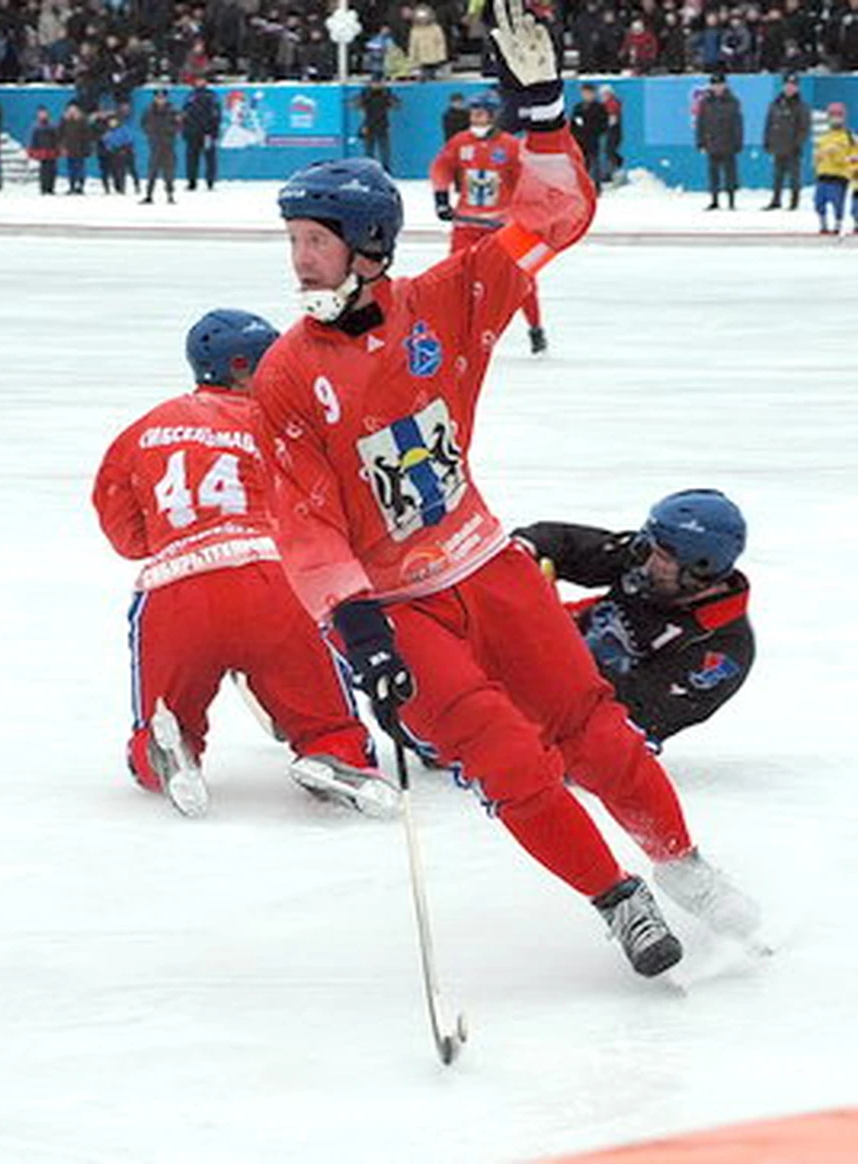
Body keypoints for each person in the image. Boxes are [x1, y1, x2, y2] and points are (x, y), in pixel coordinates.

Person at [254, 2, 760, 981]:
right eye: (293, 241)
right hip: (400, 607)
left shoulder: (451, 298)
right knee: (510, 762)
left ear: (366, 248)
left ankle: (684, 866)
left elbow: (553, 218)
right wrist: (357, 628)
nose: (297, 259)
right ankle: (618, 902)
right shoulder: (284, 375)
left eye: (312, 241)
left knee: (594, 731)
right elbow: (303, 520)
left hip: (489, 565)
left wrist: (542, 115)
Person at [92, 309, 398, 820]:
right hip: (273, 580)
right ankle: (334, 755)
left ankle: (165, 748)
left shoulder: (139, 431)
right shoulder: (282, 422)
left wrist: (180, 536)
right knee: (327, 721)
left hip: (173, 590)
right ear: (241, 367)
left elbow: (125, 534)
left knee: (162, 721)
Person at [513, 490, 754, 750]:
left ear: (700, 570)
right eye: (649, 548)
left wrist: (548, 642)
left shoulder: (722, 653)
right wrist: (521, 554)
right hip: (544, 652)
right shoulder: (652, 559)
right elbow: (562, 544)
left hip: (577, 733)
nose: (646, 561)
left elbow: (633, 709)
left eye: (661, 557)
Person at [430, 91, 547, 354]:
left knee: (521, 278)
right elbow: (441, 167)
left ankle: (535, 328)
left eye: (481, 114)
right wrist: (440, 197)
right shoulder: (460, 142)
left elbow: (526, 182)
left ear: (494, 117)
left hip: (502, 227)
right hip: (466, 224)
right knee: (456, 278)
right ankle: (456, 331)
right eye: (473, 114)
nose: (475, 119)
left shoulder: (510, 146)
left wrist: (525, 215)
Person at [696, 72, 743, 210]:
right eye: (714, 85)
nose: (717, 87)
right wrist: (700, 141)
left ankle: (731, 200)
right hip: (712, 142)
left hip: (728, 142)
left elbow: (738, 123)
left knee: (730, 173)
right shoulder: (705, 103)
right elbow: (701, 123)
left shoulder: (733, 101)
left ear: (725, 85)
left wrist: (738, 141)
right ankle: (714, 199)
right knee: (713, 173)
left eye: (719, 84)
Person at [763, 73, 811, 210]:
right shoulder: (775, 104)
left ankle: (794, 202)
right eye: (788, 85)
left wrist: (798, 143)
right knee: (777, 175)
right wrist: (767, 141)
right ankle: (776, 200)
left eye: (793, 85)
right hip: (778, 145)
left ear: (797, 88)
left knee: (794, 177)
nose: (790, 88)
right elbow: (769, 124)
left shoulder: (801, 106)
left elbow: (804, 128)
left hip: (793, 147)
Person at [813, 102, 857, 235]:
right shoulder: (824, 137)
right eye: (832, 116)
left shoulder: (848, 137)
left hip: (839, 176)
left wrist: (839, 157)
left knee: (837, 202)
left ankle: (838, 224)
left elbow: (853, 157)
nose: (835, 119)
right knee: (819, 202)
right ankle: (823, 224)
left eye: (839, 116)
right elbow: (818, 155)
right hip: (823, 175)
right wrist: (818, 160)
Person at [140, 87, 180, 205]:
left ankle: (170, 195)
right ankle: (149, 195)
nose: (160, 100)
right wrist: (151, 132)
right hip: (155, 143)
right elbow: (144, 123)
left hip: (168, 144)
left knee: (169, 171)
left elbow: (179, 125)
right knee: (152, 170)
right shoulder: (149, 110)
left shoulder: (173, 110)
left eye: (162, 98)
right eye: (158, 98)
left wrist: (169, 132)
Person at [182, 75, 220, 192]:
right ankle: (191, 181)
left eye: (202, 80)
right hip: (193, 133)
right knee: (192, 158)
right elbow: (185, 114)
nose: (199, 82)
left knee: (210, 158)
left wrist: (213, 131)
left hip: (207, 132)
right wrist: (185, 130)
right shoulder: (190, 96)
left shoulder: (212, 95)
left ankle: (210, 182)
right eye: (197, 80)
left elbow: (217, 114)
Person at [354, 77, 399, 173]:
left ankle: (386, 170)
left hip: (382, 125)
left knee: (385, 151)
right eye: (375, 83)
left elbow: (396, 105)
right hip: (369, 125)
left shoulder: (386, 93)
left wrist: (388, 96)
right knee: (369, 151)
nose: (377, 85)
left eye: (380, 83)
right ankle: (369, 171)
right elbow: (356, 105)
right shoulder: (365, 93)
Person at [570, 81, 608, 193]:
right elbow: (572, 124)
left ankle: (596, 187)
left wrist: (589, 127)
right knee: (581, 165)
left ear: (594, 94)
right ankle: (581, 187)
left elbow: (603, 125)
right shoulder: (578, 107)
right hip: (580, 141)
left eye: (589, 93)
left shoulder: (599, 108)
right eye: (584, 92)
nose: (586, 95)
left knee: (594, 163)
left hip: (592, 140)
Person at [58, 99, 90, 194]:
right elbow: (60, 133)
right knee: (71, 168)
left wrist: (86, 148)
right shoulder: (64, 120)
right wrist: (62, 146)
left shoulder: (82, 120)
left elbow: (87, 135)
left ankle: (80, 186)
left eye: (74, 109)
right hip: (69, 149)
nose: (72, 111)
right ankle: (71, 186)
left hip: (80, 149)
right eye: (70, 109)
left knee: (80, 167)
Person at [28, 106, 60, 195]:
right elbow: (33, 140)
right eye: (40, 114)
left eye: (44, 113)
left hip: (52, 151)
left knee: (52, 170)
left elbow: (57, 138)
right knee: (43, 170)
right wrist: (32, 150)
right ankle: (44, 188)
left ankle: (51, 188)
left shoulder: (53, 126)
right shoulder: (36, 127)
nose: (42, 115)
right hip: (41, 152)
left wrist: (58, 149)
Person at [599, 83, 623, 184]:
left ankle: (611, 172)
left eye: (605, 94)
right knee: (608, 151)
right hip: (612, 131)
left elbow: (612, 120)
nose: (603, 97)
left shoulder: (612, 103)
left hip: (613, 132)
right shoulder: (607, 104)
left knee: (609, 151)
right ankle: (609, 172)